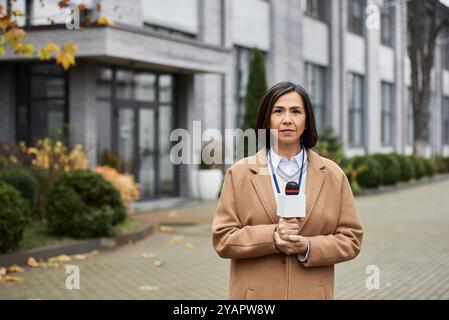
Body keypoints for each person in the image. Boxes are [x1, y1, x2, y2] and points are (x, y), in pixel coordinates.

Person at [212, 82, 364, 300]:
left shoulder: (333, 175)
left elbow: (351, 239)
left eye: (296, 111)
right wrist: (272, 236)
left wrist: (308, 246)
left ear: (307, 121)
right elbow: (223, 239)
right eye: (278, 111)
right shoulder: (240, 174)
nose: (287, 120)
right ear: (267, 120)